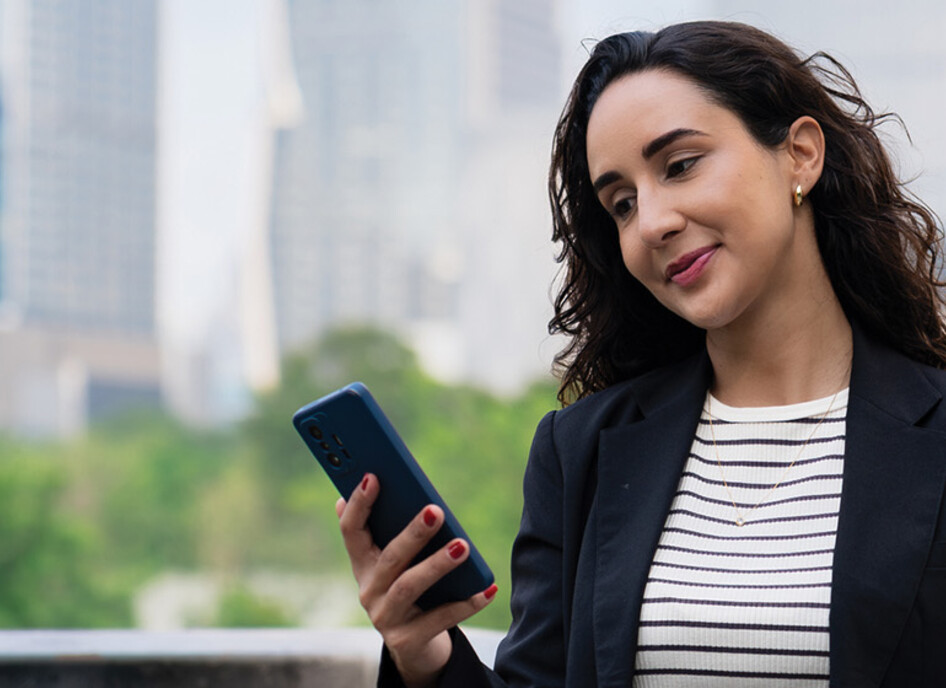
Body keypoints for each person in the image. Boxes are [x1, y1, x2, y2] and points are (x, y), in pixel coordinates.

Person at [335, 20, 946, 687]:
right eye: (622, 203)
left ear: (799, 154)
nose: (652, 222)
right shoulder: (582, 451)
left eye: (680, 166)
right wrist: (424, 658)